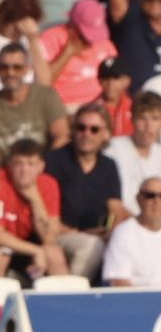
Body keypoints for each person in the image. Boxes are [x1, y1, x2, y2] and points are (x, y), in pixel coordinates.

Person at [0, 139, 72, 281]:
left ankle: (65, 295)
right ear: (10, 165)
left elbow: (49, 236)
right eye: (18, 164)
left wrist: (35, 200)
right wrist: (35, 250)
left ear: (41, 166)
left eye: (31, 164)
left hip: (21, 241)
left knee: (53, 253)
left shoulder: (48, 184)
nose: (24, 170)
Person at [41, 103, 123, 278]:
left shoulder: (109, 166)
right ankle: (73, 291)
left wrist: (110, 231)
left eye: (94, 129)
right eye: (81, 128)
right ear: (73, 130)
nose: (87, 134)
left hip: (96, 233)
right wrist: (79, 233)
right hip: (56, 235)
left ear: (105, 134)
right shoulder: (53, 161)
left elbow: (116, 208)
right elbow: (44, 215)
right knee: (90, 245)